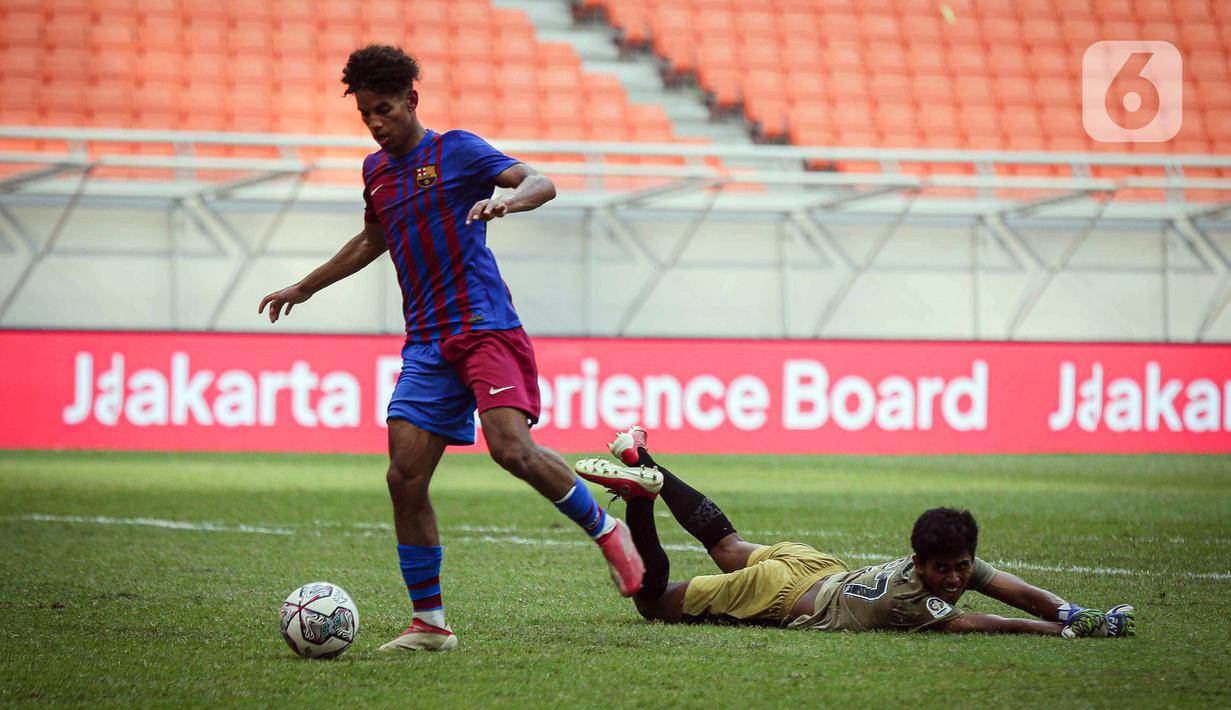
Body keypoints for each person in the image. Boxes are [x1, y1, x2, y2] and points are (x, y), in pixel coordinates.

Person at [258, 45, 642, 652]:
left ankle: (606, 531)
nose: (375, 124)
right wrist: (305, 287)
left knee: (509, 449)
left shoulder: (457, 151)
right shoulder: (376, 172)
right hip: (427, 343)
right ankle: (431, 624)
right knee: (404, 477)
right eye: (365, 115)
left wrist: (507, 200)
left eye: (384, 110)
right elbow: (373, 239)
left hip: (485, 326)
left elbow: (540, 182)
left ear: (411, 100)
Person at [575, 426, 1136, 638]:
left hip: (813, 566)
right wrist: (1056, 630)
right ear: (918, 564)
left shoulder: (945, 562)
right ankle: (642, 499)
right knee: (654, 606)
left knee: (727, 544)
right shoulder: (912, 603)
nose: (954, 578)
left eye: (962, 568)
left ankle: (643, 460)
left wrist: (1072, 610)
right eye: (943, 570)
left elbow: (1016, 590)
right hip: (788, 590)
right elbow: (990, 621)